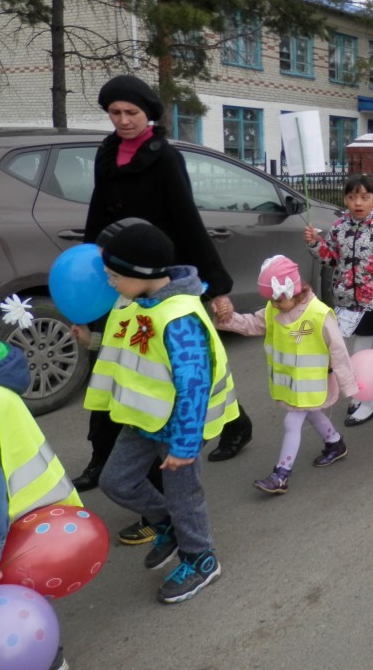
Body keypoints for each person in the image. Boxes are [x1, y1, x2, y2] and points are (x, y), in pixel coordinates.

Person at [76, 75, 252, 509]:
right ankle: (103, 455)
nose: (123, 120)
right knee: (118, 363)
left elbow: (187, 218)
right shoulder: (106, 152)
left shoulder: (165, 156)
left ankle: (234, 423)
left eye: (131, 112)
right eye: (115, 113)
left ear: (149, 114)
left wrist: (215, 286)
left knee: (177, 367)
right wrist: (90, 258)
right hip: (120, 270)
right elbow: (98, 209)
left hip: (160, 274)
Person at [80, 222, 238, 603]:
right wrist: (92, 341)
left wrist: (184, 446)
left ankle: (200, 558)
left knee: (185, 497)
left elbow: (193, 386)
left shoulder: (178, 317)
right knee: (115, 481)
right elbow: (131, 344)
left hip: (179, 430)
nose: (109, 282)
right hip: (144, 419)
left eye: (114, 275)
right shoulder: (139, 301)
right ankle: (166, 523)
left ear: (142, 273)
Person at [215, 256, 359, 494]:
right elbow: (253, 324)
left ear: (295, 290)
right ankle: (335, 443)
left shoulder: (318, 314)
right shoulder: (274, 309)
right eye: (270, 300)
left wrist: (348, 385)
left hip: (312, 382)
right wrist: (228, 320)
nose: (274, 304)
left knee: (292, 421)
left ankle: (281, 474)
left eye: (279, 299)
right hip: (292, 382)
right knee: (312, 413)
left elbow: (338, 350)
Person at [304, 174, 373, 426]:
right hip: (344, 303)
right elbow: (330, 259)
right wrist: (315, 244)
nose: (358, 203)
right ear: (345, 200)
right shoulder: (339, 227)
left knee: (361, 354)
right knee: (339, 351)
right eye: (352, 197)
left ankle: (366, 403)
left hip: (371, 304)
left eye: (364, 197)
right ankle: (357, 395)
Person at [0, 341, 76, 667]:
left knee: (14, 606)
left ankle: (47, 659)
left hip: (11, 524)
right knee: (20, 599)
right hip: (25, 516)